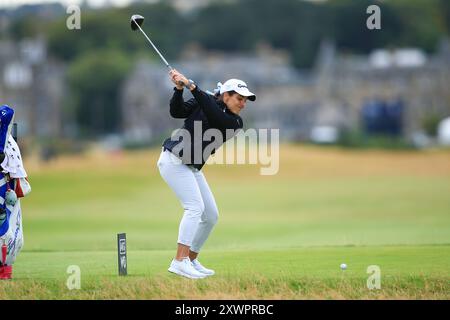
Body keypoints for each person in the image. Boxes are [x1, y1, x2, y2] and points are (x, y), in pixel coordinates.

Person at [157, 69, 256, 279]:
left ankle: (191, 259)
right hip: (174, 160)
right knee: (194, 208)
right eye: (239, 98)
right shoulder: (205, 100)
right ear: (226, 95)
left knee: (210, 216)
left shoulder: (235, 123)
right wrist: (178, 89)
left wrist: (194, 88)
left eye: (245, 100)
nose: (243, 104)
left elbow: (216, 116)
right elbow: (177, 111)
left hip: (191, 166)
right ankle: (179, 261)